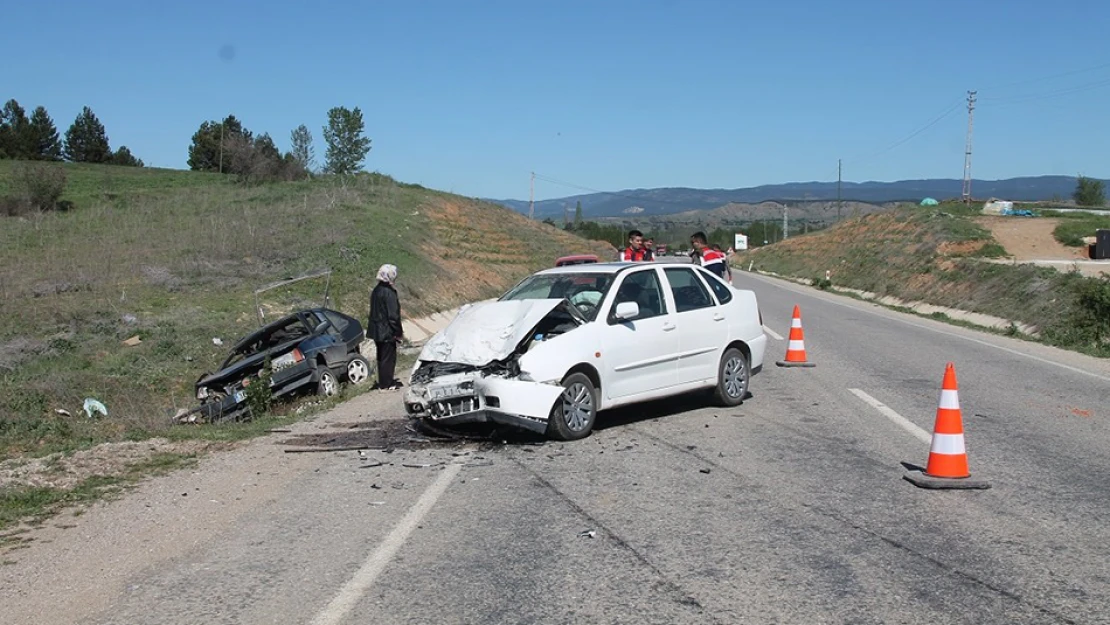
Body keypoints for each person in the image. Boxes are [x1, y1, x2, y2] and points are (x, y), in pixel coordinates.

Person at [369, 264, 404, 390]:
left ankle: (384, 381)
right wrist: (398, 331)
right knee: (388, 358)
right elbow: (393, 315)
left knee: (381, 357)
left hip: (377, 330)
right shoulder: (389, 293)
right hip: (387, 330)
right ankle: (386, 383)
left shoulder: (376, 290)